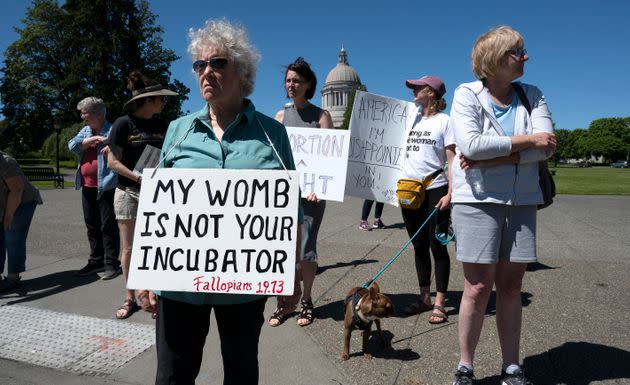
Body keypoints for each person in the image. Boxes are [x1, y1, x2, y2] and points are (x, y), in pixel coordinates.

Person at [136, 19, 302, 385]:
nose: (206, 71)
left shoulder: (272, 134)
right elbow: (157, 207)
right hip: (179, 284)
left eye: (218, 63)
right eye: (200, 65)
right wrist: (144, 274)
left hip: (244, 285)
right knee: (172, 375)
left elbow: (291, 210)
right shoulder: (178, 131)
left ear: (243, 73)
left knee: (242, 373)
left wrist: (291, 273)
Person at [449, 26, 556, 385]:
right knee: (477, 286)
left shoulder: (533, 94)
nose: (525, 57)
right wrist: (526, 141)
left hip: (521, 199)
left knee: (511, 286)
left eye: (523, 51)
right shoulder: (467, 94)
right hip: (476, 200)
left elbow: (547, 147)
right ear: (494, 59)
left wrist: (493, 159)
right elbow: (471, 147)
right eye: (517, 51)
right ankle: (466, 364)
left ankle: (512, 365)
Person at [107, 71, 177, 319]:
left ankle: (153, 293)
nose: (163, 103)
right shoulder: (123, 124)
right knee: (129, 248)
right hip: (128, 191)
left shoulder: (165, 126)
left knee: (158, 243)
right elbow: (112, 162)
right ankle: (130, 296)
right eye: (160, 98)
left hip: (158, 193)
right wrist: (138, 178)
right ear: (147, 100)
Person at [269, 57, 333, 328]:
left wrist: (319, 187)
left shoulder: (321, 116)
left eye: (296, 80)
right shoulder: (280, 116)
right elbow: (273, 156)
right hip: (285, 193)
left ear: (308, 85)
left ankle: (306, 299)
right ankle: (284, 302)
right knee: (283, 249)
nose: (291, 84)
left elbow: (329, 157)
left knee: (306, 249)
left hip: (312, 195)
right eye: (288, 80)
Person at [400, 75, 455, 324]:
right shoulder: (408, 120)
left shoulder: (445, 121)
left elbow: (451, 160)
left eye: (417, 87)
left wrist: (451, 194)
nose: (413, 90)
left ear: (431, 93)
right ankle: (424, 298)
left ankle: (440, 302)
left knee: (437, 245)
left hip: (435, 187)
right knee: (418, 245)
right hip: (408, 189)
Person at [68, 97, 120, 280]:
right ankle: (96, 260)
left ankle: (112, 264)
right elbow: (73, 146)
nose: (82, 117)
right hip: (87, 186)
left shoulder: (113, 130)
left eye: (85, 113)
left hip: (107, 186)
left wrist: (106, 141)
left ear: (97, 114)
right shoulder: (86, 130)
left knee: (108, 226)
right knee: (92, 225)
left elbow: (121, 151)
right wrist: (94, 139)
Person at [0, 151, 43, 292]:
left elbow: (17, 189)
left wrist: (8, 216)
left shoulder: (5, 162)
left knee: (13, 237)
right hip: (4, 201)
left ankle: (13, 278)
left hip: (22, 201)